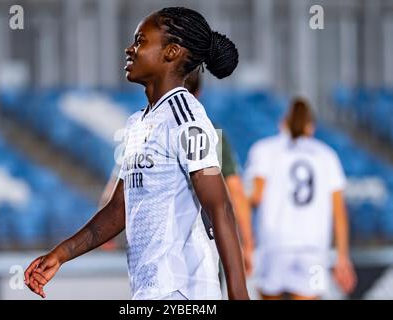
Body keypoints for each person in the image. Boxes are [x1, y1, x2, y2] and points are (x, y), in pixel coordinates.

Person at [25, 7, 249, 300]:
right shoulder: (137, 124)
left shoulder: (188, 119)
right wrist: (62, 254)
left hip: (183, 292)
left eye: (141, 41)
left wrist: (239, 295)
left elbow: (220, 206)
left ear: (171, 52)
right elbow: (119, 210)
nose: (129, 48)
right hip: (148, 292)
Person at [99, 71, 254, 273]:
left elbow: (116, 187)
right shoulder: (206, 131)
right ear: (198, 93)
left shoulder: (142, 129)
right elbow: (235, 192)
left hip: (154, 252)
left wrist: (105, 232)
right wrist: (247, 243)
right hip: (200, 253)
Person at [244, 97, 357, 300]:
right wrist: (342, 257)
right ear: (311, 127)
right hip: (313, 248)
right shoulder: (327, 155)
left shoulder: (264, 149)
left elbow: (255, 196)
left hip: (275, 245)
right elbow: (339, 213)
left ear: (283, 124)